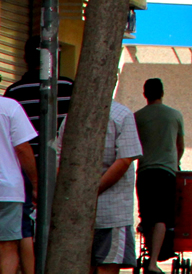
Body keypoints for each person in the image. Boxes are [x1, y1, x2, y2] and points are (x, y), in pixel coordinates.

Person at [5, 35, 73, 269]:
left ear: (24, 58)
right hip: (63, 169)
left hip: (23, 171)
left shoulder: (14, 92)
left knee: (24, 227)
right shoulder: (69, 88)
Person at [60, 96, 142, 274]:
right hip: (112, 211)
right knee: (108, 266)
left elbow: (60, 158)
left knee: (81, 265)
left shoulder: (73, 115)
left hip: (77, 210)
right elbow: (125, 159)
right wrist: (93, 191)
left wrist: (77, 194)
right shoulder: (122, 115)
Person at [0, 61, 37, 274]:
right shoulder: (9, 106)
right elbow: (23, 148)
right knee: (8, 246)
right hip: (8, 188)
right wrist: (36, 182)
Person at [134, 78, 184, 273]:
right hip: (167, 172)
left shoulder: (137, 117)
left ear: (145, 94)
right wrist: (174, 162)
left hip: (145, 172)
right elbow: (179, 147)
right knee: (163, 216)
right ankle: (154, 260)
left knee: (147, 215)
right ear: (162, 93)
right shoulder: (175, 116)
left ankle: (148, 255)